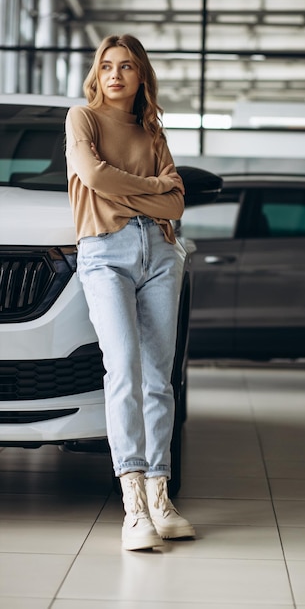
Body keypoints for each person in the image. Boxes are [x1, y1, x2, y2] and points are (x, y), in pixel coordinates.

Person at [65, 34, 195, 551]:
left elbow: (177, 207)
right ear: (97, 74)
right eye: (107, 65)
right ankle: (133, 505)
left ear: (141, 77)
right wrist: (156, 188)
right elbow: (92, 173)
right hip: (104, 253)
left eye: (127, 66)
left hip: (162, 254)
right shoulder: (83, 119)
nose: (115, 74)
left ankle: (161, 499)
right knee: (123, 369)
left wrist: (149, 193)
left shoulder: (152, 130)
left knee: (158, 380)